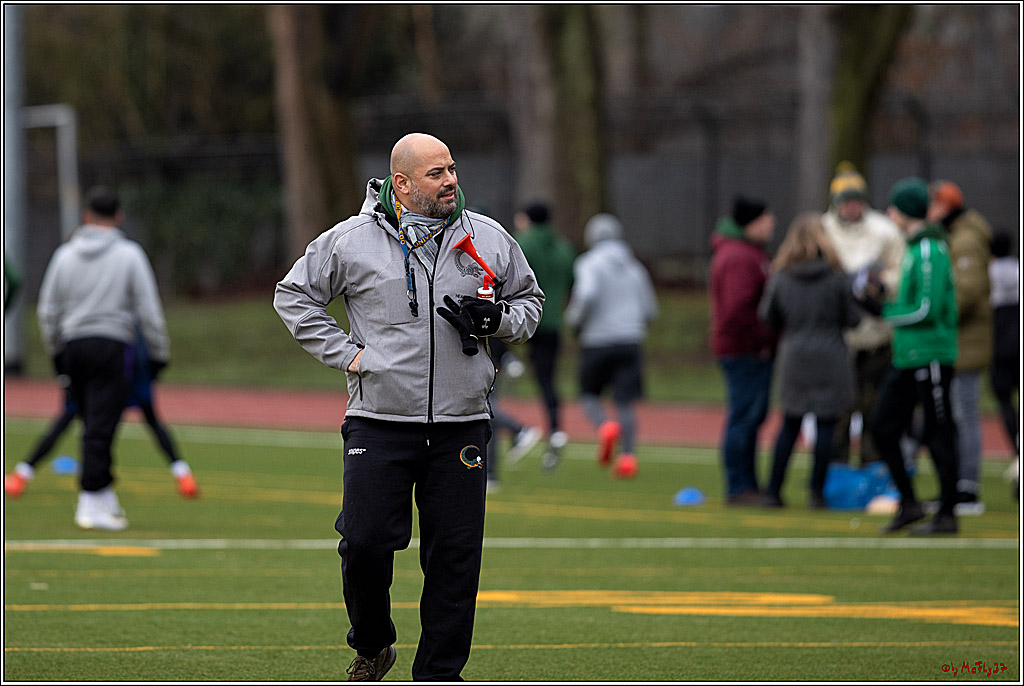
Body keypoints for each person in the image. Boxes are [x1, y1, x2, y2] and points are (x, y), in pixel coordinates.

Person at [273, 133, 543, 681]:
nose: (450, 182)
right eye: (435, 174)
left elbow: (529, 303)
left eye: (452, 170)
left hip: (462, 426)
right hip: (378, 420)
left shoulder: (487, 237)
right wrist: (349, 355)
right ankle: (372, 644)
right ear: (401, 184)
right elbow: (292, 295)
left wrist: (499, 323)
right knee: (366, 543)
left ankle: (439, 674)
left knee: (455, 559)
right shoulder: (349, 241)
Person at [36, 186, 171, 531]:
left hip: (74, 346)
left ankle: (104, 497)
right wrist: (158, 353)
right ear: (119, 217)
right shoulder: (129, 254)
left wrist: (56, 353)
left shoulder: (64, 255)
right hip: (113, 346)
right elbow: (148, 310)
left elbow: (48, 310)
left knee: (91, 421)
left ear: (85, 217)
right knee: (101, 425)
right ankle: (89, 501)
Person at [863, 177, 960, 535]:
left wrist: (882, 313)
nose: (889, 214)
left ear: (906, 211)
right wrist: (878, 300)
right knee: (883, 426)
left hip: (930, 354)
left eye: (894, 207)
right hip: (908, 354)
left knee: (938, 431)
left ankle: (947, 512)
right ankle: (909, 502)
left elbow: (926, 309)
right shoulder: (912, 249)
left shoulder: (929, 249)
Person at [4, 332, 198, 499]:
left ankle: (24, 475)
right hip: (125, 358)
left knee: (85, 424)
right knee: (142, 421)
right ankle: (183, 475)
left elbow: (52, 316)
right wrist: (157, 360)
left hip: (103, 358)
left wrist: (60, 363)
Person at [758, 213, 861, 509]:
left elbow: (768, 316)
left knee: (790, 424)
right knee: (826, 426)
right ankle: (817, 493)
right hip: (830, 355)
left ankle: (773, 490)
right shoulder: (836, 277)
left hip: (794, 356)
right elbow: (852, 319)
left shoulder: (782, 276)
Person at [820, 162, 905, 467]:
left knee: (876, 408)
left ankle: (874, 466)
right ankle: (835, 469)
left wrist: (880, 283)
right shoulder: (822, 231)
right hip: (838, 337)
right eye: (846, 202)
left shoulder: (885, 231)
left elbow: (902, 273)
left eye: (856, 201)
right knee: (839, 409)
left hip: (877, 333)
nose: (851, 208)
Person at [564, 213, 658, 479]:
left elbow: (588, 294)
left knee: (589, 394)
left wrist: (574, 319)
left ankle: (605, 426)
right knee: (625, 402)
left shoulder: (589, 263)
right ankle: (628, 457)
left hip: (598, 340)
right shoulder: (635, 266)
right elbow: (650, 308)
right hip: (630, 340)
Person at [927, 180, 992, 512]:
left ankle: (966, 487)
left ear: (946, 206)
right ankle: (955, 485)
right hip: (956, 342)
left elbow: (967, 292)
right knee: (951, 416)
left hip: (965, 343)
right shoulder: (955, 236)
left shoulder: (966, 239)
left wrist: (932, 307)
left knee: (963, 415)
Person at [709, 195, 778, 505]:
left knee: (750, 417)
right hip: (744, 350)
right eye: (765, 219)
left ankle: (747, 483)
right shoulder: (740, 256)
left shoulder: (745, 252)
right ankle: (739, 486)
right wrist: (762, 339)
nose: (771, 224)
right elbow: (738, 311)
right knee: (744, 417)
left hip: (746, 347)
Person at [512, 202, 575, 467]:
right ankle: (556, 427)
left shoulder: (523, 244)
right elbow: (572, 281)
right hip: (553, 322)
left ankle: (509, 430)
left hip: (526, 319)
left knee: (498, 366)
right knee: (548, 379)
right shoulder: (564, 248)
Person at [484, 336, 542, 492]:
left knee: (483, 406)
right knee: (488, 420)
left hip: (483, 360)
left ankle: (519, 429)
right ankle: (490, 474)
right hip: (490, 358)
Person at [988, 230, 1019, 500]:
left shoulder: (991, 272)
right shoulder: (1017, 269)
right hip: (1017, 338)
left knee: (1005, 402)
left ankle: (1018, 452)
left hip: (1000, 343)